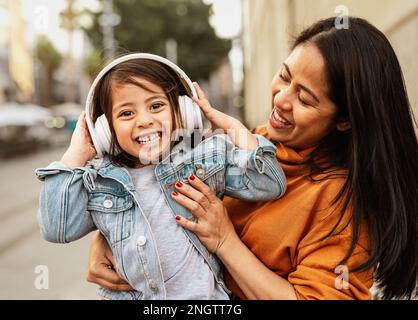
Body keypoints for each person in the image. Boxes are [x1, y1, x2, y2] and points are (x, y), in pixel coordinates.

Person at [86, 17, 418, 300]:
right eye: (285, 77)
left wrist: (225, 241)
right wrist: (112, 238)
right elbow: (157, 195)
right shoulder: (251, 145)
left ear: (344, 119)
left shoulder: (340, 202)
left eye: (305, 98)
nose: (282, 99)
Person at [35, 54, 287, 300]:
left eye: (156, 106)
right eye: (126, 113)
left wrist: (233, 127)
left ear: (184, 111)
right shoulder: (100, 182)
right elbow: (56, 228)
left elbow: (270, 183)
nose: (144, 120)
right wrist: (74, 156)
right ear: (105, 130)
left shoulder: (204, 159)